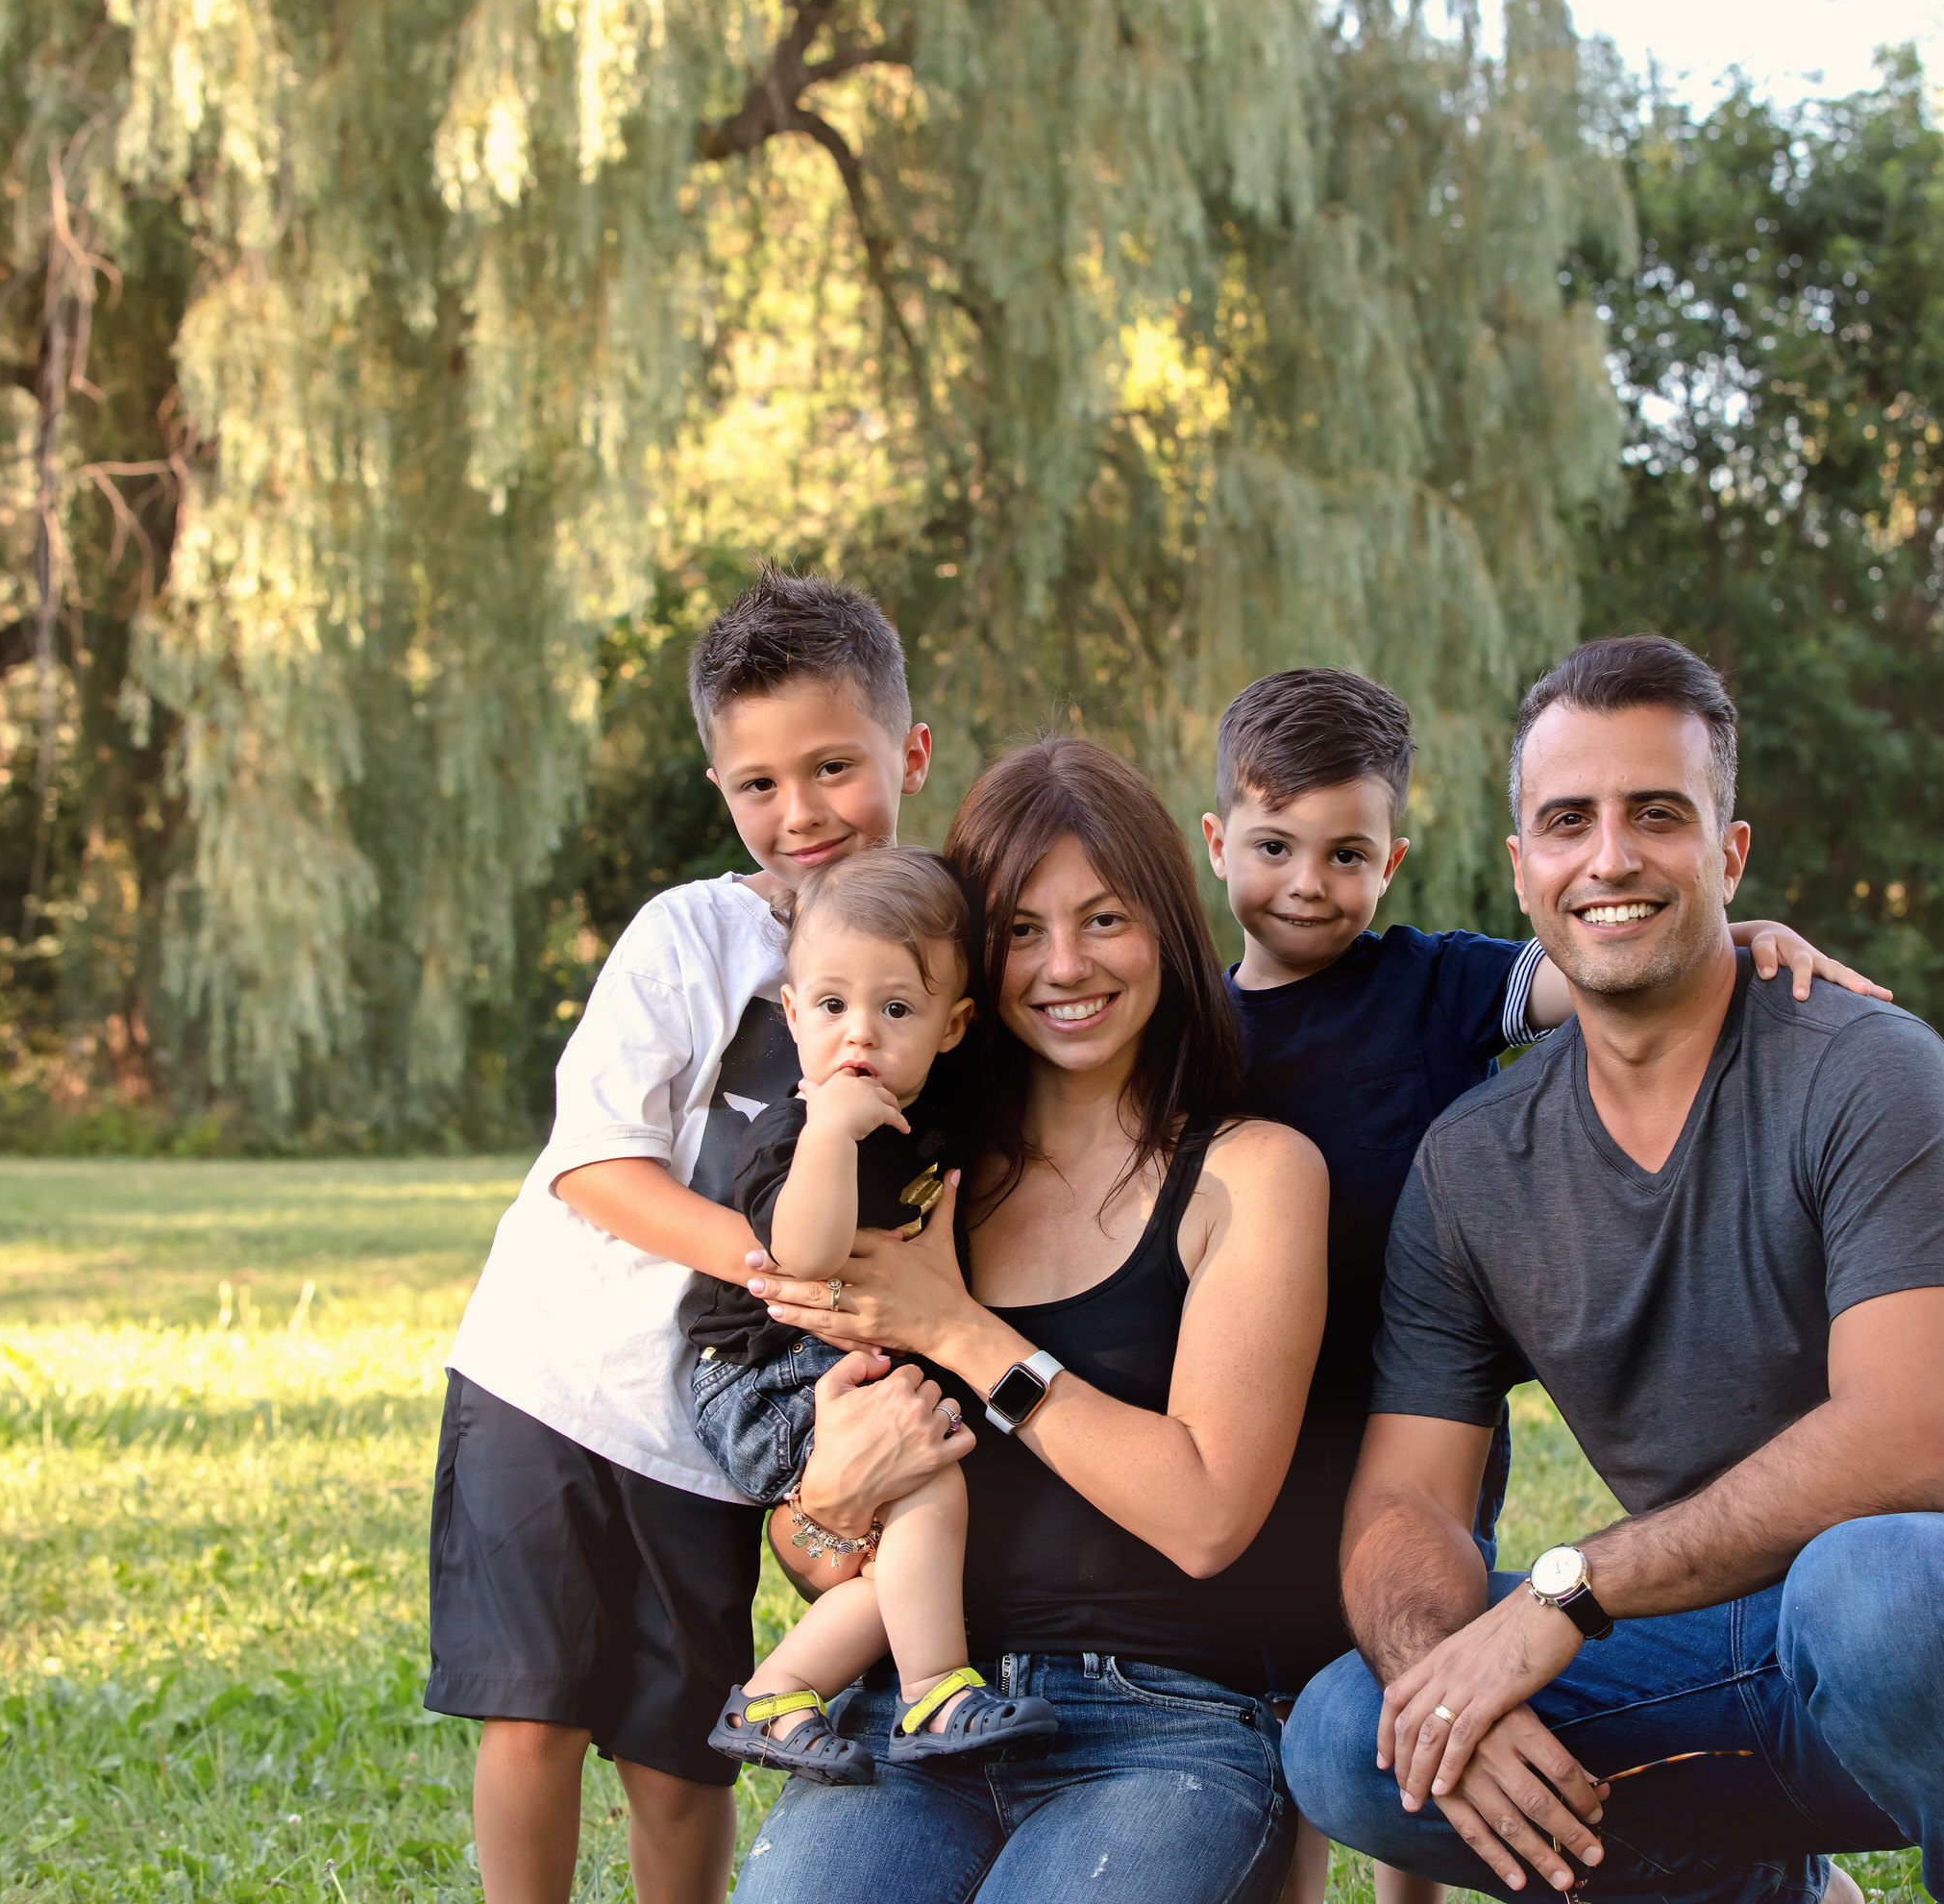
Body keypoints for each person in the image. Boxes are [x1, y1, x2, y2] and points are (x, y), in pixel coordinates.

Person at [1281, 635, 1944, 1904]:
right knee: (1352, 1730)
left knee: (1870, 1585)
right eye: (1568, 821)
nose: (1609, 858)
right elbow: (1406, 1502)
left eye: (1656, 815)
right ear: (1521, 868)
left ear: (1729, 856)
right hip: (1718, 1649)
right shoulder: (1472, 1165)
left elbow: (1904, 1448)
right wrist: (1437, 1673)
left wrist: (1567, 1594)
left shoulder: (1867, 1068)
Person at [1198, 668, 1887, 1904]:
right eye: (1273, 846)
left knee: (1429, 1669)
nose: (1308, 881)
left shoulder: (1437, 981)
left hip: (1417, 1413)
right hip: (1258, 1427)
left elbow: (1620, 952)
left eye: (1346, 853)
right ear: (1216, 843)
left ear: (1393, 859)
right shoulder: (1188, 1029)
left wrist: (1744, 936)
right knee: (1283, 1709)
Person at [425, 569, 968, 1904]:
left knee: (681, 1754)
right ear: (720, 787)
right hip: (551, 1382)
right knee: (534, 1717)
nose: (802, 813)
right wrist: (780, 1268)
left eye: (833, 767)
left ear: (909, 754)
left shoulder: (934, 961)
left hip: (710, 1434)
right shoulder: (694, 934)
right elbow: (594, 1166)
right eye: (759, 784)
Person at [726, 737, 1330, 1904]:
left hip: (1164, 1724)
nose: (1065, 965)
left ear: (1166, 928)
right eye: (1020, 930)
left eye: (1105, 919)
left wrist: (962, 1331)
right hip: (916, 1705)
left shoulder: (1250, 1173)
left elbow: (1207, 1516)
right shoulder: (900, 1176)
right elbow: (815, 1557)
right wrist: (831, 1498)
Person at [684, 846, 1061, 1778]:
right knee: (929, 1487)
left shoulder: (927, 1110)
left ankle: (777, 1693)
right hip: (760, 1373)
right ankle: (934, 1691)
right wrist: (830, 1131)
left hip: (828, 1358)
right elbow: (806, 1255)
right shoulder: (797, 1128)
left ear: (952, 1025)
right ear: (791, 1013)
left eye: (896, 1010)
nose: (859, 1033)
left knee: (905, 1543)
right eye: (831, 1005)